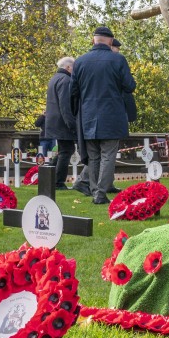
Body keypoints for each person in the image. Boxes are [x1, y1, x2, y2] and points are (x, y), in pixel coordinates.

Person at [71, 26, 135, 205]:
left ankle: (95, 192)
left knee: (94, 156)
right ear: (110, 41)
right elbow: (129, 86)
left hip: (88, 115)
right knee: (108, 155)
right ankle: (100, 193)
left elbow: (73, 92)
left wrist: (78, 114)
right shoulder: (118, 59)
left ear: (94, 40)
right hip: (112, 115)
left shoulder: (80, 61)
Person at [44, 56, 76, 190]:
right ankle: (58, 181)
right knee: (67, 150)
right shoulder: (66, 80)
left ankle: (48, 174)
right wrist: (72, 124)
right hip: (62, 122)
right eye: (73, 67)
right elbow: (65, 105)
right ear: (68, 67)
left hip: (54, 121)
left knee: (64, 150)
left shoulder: (54, 79)